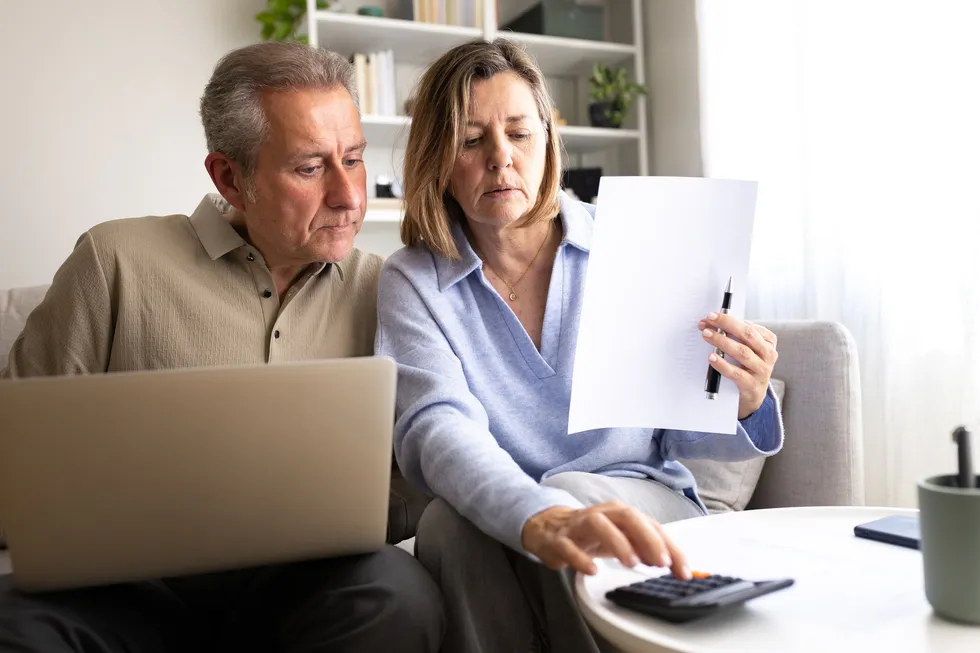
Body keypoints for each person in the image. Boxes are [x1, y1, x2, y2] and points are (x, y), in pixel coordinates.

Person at [0, 42, 444, 653]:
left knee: (398, 593)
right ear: (229, 178)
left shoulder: (387, 289)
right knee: (15, 621)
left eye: (354, 159)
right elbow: (18, 454)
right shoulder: (114, 262)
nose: (348, 195)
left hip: (308, 587)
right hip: (129, 590)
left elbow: (420, 471)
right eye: (311, 168)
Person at [375, 38, 784, 653]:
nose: (500, 158)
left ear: (547, 139)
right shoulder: (413, 279)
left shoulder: (633, 243)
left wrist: (744, 399)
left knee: (574, 496)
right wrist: (535, 513)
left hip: (642, 497)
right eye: (470, 140)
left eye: (518, 132)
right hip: (508, 509)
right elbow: (436, 428)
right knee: (446, 526)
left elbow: (687, 431)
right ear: (437, 158)